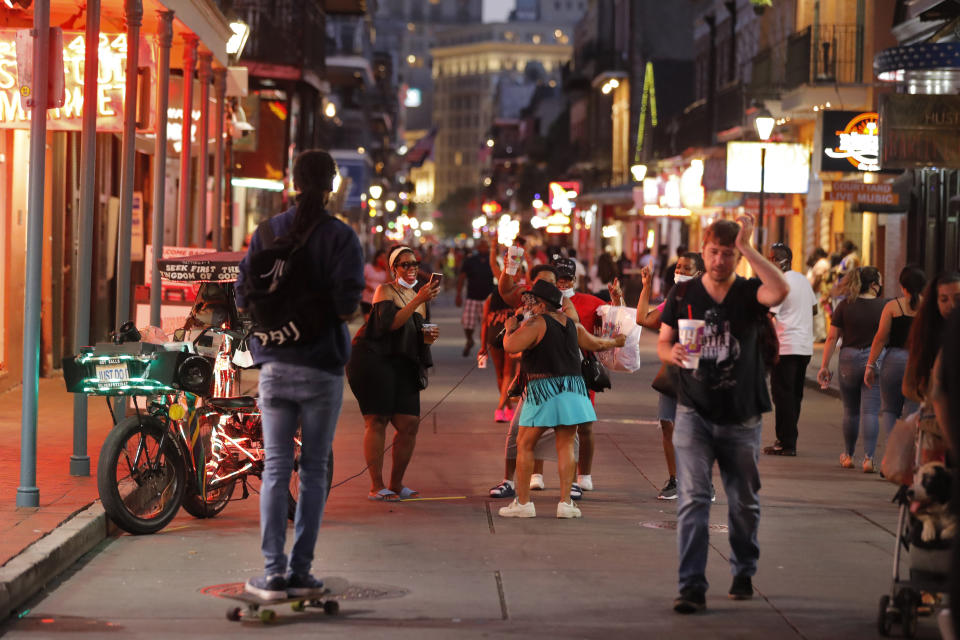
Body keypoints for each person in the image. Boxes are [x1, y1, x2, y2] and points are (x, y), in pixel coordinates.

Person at [236, 149, 365, 600]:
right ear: (332, 185)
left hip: (274, 364)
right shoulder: (341, 238)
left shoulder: (268, 231)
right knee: (312, 470)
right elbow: (348, 304)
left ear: (292, 181)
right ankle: (301, 572)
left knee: (274, 469)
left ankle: (272, 573)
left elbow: (242, 294)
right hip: (322, 367)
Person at [658, 214, 788, 613]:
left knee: (742, 501)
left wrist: (748, 247)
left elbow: (779, 290)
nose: (718, 260)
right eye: (713, 252)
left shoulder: (750, 293)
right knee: (693, 499)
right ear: (703, 248)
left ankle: (743, 569)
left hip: (742, 415)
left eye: (727, 254)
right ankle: (691, 586)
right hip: (694, 412)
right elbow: (663, 342)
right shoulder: (683, 295)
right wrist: (673, 353)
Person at [498, 280, 625, 519]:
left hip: (543, 388)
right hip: (572, 388)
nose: (528, 304)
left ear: (542, 303)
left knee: (525, 444)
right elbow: (594, 344)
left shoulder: (536, 323)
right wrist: (616, 342)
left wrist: (510, 327)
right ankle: (566, 503)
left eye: (532, 301)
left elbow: (510, 346)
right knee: (566, 444)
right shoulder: (571, 324)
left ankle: (524, 503)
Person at [346, 245, 441, 502]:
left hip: (403, 362)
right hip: (372, 359)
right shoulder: (385, 290)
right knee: (377, 420)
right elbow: (389, 325)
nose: (411, 269)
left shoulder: (419, 297)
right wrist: (418, 299)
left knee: (409, 423)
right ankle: (376, 486)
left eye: (414, 264)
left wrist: (428, 338)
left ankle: (396, 483)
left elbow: (415, 335)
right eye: (405, 264)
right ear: (393, 268)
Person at [488, 257, 581, 500]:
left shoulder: (562, 307)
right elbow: (504, 289)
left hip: (562, 379)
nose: (549, 287)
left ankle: (570, 487)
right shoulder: (525, 304)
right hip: (533, 380)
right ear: (532, 283)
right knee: (519, 432)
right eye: (543, 283)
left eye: (553, 283)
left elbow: (575, 323)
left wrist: (546, 314)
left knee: (568, 436)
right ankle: (510, 481)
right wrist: (508, 268)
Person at [636, 252, 705, 500]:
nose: (681, 271)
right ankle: (675, 480)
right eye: (679, 267)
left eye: (687, 268)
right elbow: (643, 318)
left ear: (699, 273)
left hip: (700, 373)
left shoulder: (708, 299)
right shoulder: (674, 300)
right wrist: (646, 287)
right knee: (667, 423)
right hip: (674, 371)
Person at [553, 256, 624, 492]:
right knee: (544, 426)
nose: (563, 284)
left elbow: (615, 320)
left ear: (575, 279)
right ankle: (536, 474)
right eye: (559, 279)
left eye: (567, 279)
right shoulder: (543, 301)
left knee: (584, 425)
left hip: (581, 371)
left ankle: (584, 475)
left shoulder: (591, 302)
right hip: (550, 370)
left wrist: (617, 301)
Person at [817, 267, 886, 472]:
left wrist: (824, 366)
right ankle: (869, 459)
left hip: (848, 358)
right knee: (871, 411)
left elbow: (831, 338)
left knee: (850, 411)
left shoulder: (845, 306)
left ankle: (848, 456)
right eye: (880, 281)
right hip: (873, 360)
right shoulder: (885, 306)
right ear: (874, 285)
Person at [764, 243, 817, 457]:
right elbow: (813, 308)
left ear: (778, 260)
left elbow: (770, 315)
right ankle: (789, 438)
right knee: (795, 395)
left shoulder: (779, 282)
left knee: (782, 395)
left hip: (786, 345)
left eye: (770, 258)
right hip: (804, 346)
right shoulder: (803, 279)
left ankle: (785, 442)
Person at [864, 266, 926, 438]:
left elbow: (880, 338)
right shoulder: (929, 308)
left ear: (902, 286)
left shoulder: (893, 306)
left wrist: (870, 365)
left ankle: (892, 452)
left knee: (890, 410)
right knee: (913, 410)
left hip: (893, 361)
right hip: (917, 361)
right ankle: (909, 453)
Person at [903, 272, 960, 406]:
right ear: (936, 303)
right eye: (944, 299)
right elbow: (908, 386)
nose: (952, 305)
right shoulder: (927, 335)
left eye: (958, 299)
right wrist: (930, 405)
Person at [456, 240, 495, 357]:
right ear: (478, 247)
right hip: (472, 297)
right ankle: (470, 340)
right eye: (482, 246)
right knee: (468, 323)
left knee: (487, 324)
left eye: (486, 246)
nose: (484, 248)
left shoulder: (492, 261)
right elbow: (462, 277)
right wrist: (458, 294)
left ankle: (485, 344)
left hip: (488, 298)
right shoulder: (470, 260)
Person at [806, 248, 831, 342]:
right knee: (817, 313)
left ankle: (820, 335)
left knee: (818, 313)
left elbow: (819, 277)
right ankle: (819, 335)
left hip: (816, 291)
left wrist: (812, 289)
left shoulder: (822, 262)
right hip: (815, 291)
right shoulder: (822, 262)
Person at [362, 249, 389, 318]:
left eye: (385, 258)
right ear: (377, 258)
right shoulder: (368, 267)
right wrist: (367, 286)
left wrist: (387, 268)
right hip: (367, 299)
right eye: (382, 258)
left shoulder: (385, 272)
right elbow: (361, 279)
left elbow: (389, 283)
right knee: (368, 320)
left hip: (379, 301)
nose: (383, 260)